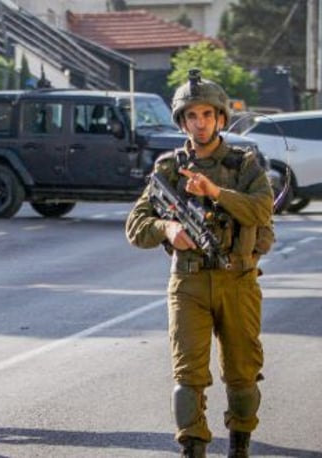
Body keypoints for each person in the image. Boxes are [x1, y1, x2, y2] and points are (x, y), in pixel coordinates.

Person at [124, 69, 274, 458]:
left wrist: (214, 192)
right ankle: (193, 448)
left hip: (237, 281)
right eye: (192, 116)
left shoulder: (244, 165)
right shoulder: (168, 169)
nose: (200, 123)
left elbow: (261, 209)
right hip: (188, 284)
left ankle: (239, 444)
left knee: (242, 376)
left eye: (207, 114)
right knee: (187, 378)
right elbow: (135, 226)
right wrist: (167, 228)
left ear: (220, 118)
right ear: (182, 121)